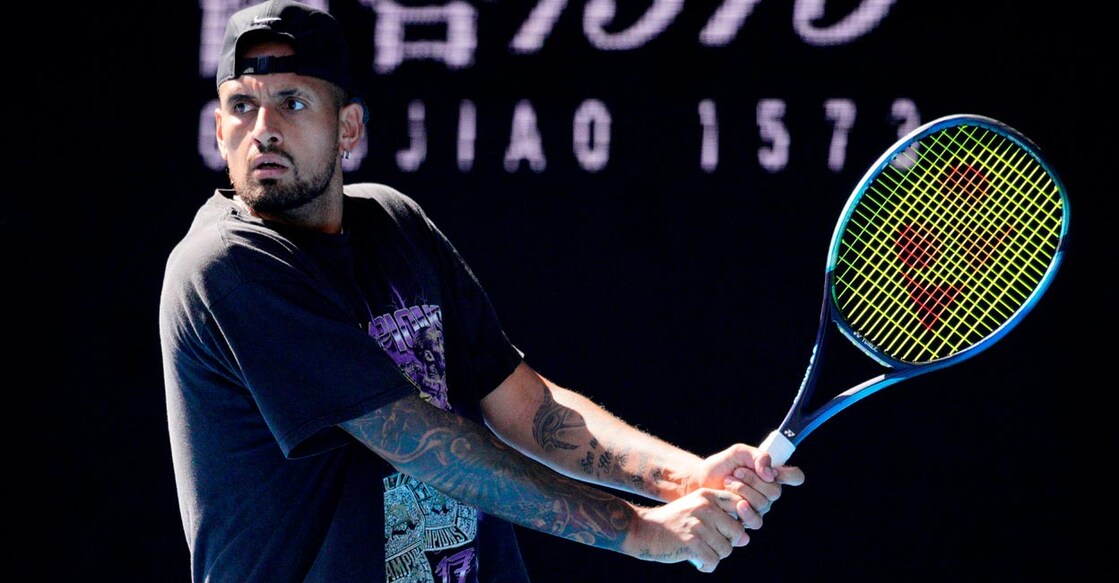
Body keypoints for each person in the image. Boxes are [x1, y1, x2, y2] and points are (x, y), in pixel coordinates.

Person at [158, 1, 805, 581]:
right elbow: (427, 447)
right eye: (242, 105)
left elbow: (524, 401)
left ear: (348, 128)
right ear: (219, 131)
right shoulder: (226, 265)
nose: (262, 127)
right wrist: (642, 530)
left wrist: (682, 475)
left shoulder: (394, 223)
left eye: (292, 102)